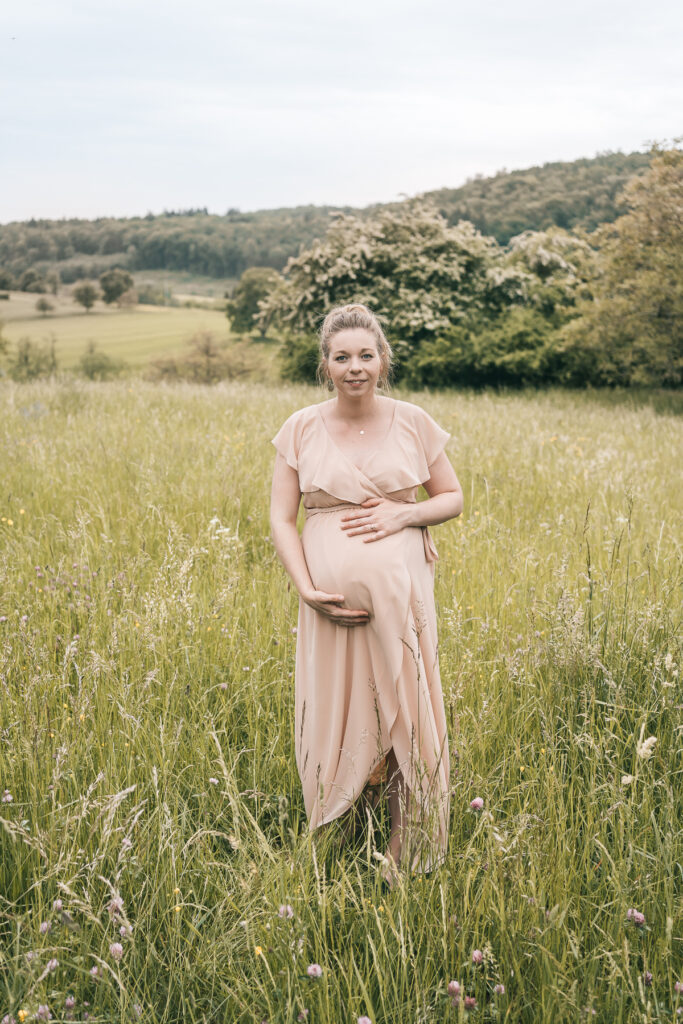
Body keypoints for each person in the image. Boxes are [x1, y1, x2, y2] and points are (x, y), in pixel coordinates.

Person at [269, 303, 463, 887]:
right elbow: (282, 519)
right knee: (338, 708)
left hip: (401, 599)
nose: (355, 366)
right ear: (325, 364)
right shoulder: (300, 426)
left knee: (403, 705)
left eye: (366, 355)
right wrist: (305, 586)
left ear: (384, 361)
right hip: (329, 602)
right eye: (341, 356)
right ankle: (338, 829)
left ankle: (404, 849)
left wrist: (403, 515)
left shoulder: (413, 420)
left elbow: (452, 497)